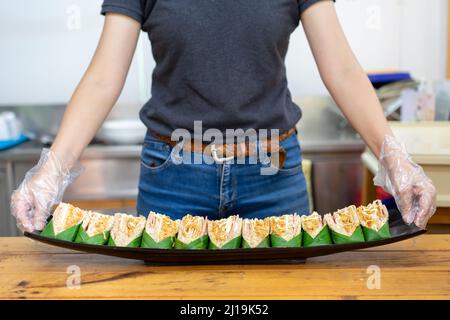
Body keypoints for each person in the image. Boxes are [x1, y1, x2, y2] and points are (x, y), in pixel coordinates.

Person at [11, 0, 436, 232]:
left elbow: (341, 69)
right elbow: (104, 78)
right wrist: (53, 168)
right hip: (172, 178)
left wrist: (393, 155)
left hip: (273, 175)